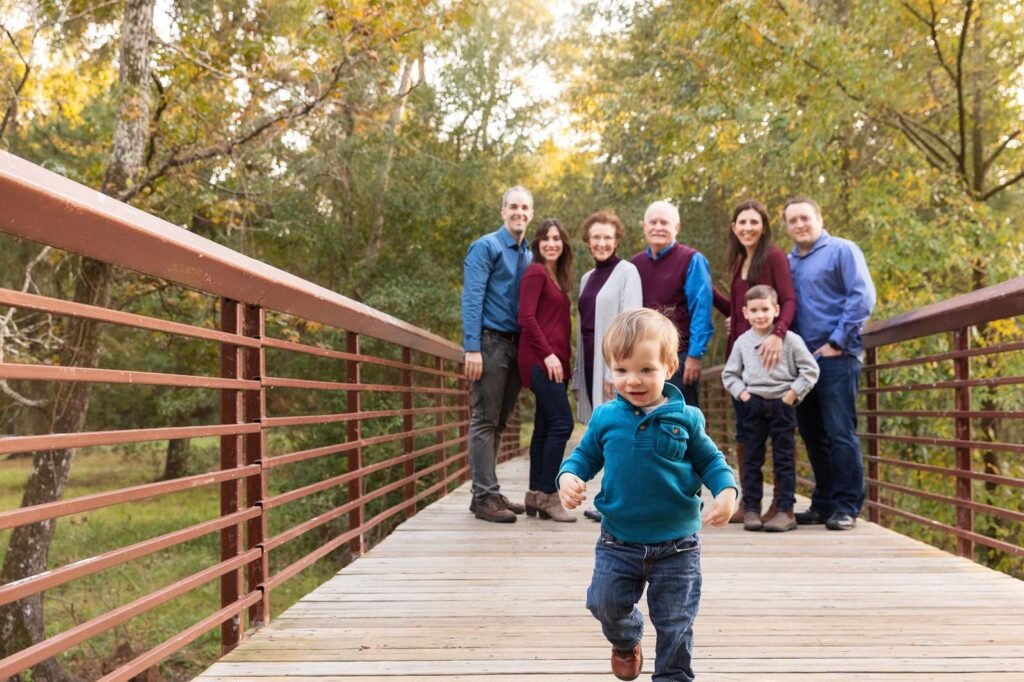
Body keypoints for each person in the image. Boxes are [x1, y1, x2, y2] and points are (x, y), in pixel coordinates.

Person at [557, 309, 738, 681]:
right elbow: (583, 457)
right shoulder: (606, 417)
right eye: (622, 371)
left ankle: (672, 677)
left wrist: (726, 490)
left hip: (677, 546)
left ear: (669, 367)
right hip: (618, 541)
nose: (633, 381)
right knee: (604, 604)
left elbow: (711, 461)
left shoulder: (686, 418)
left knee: (675, 624)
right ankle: (626, 638)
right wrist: (568, 477)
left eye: (646, 370)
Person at [784, 196, 876, 532]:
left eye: (804, 218)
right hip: (801, 364)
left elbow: (862, 296)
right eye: (792, 220)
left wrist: (838, 341)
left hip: (837, 357)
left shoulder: (842, 250)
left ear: (819, 218)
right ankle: (822, 504)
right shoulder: (789, 262)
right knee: (812, 434)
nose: (799, 225)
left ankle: (846, 506)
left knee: (840, 432)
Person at [711, 199, 797, 522]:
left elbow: (788, 299)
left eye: (753, 222)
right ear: (734, 228)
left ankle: (782, 505)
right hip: (741, 356)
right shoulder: (738, 262)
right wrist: (703, 288)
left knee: (778, 436)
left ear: (763, 226)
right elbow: (737, 309)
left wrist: (778, 333)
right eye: (742, 222)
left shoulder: (773, 257)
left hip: (769, 358)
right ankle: (750, 503)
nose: (747, 228)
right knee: (746, 433)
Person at [461, 186, 534, 523]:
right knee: (484, 419)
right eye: (514, 207)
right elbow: (473, 297)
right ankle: (485, 496)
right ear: (503, 211)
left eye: (525, 207)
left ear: (530, 214)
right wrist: (472, 347)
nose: (519, 212)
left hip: (516, 345)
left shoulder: (528, 253)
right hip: (490, 343)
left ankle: (487, 492)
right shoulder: (486, 247)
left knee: (500, 420)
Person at [721, 285, 819, 532]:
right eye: (754, 310)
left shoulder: (791, 340)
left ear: (776, 310)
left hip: (782, 404)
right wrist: (743, 395)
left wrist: (792, 394)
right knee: (752, 458)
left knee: (783, 458)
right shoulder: (743, 342)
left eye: (765, 309)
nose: (760, 315)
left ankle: (785, 510)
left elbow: (811, 370)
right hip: (753, 404)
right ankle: (752, 509)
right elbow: (730, 374)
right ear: (745, 312)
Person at [573, 211, 643, 523]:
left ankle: (619, 501)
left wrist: (615, 371)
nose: (601, 242)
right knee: (602, 429)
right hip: (588, 359)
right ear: (588, 241)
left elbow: (629, 326)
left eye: (607, 237)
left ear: (616, 240)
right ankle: (611, 497)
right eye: (596, 237)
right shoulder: (587, 278)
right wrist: (580, 374)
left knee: (619, 430)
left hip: (611, 362)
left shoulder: (628, 272)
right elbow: (582, 327)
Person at [518, 219, 576, 522]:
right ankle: (550, 496)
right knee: (562, 423)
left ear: (563, 244)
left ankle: (534, 496)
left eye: (557, 238)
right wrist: (549, 356)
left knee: (543, 427)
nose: (551, 243)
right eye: (545, 239)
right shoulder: (536, 272)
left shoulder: (555, 276)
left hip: (556, 362)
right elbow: (526, 317)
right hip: (541, 361)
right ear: (537, 244)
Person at [631, 200, 713, 408]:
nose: (658, 227)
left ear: (676, 228)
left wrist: (695, 355)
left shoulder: (692, 260)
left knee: (680, 418)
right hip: (643, 356)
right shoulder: (633, 265)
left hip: (679, 356)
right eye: (653, 222)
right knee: (647, 415)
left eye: (664, 223)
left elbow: (701, 310)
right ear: (645, 227)